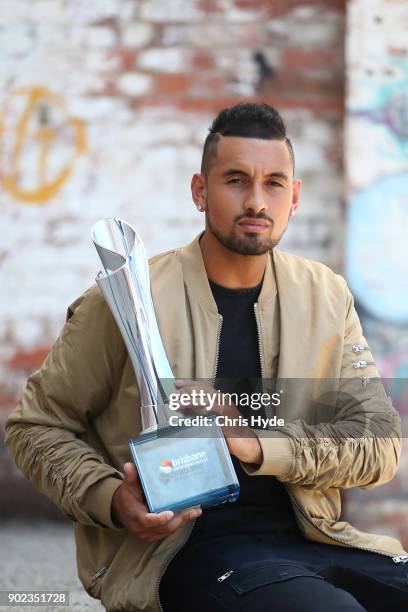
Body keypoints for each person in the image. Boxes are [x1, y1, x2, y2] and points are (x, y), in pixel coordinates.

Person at [5, 103, 407, 612]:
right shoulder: (130, 297)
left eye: (274, 184)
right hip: (189, 553)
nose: (256, 201)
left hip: (320, 539)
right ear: (200, 191)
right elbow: (35, 426)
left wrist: (254, 442)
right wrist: (111, 497)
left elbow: (379, 443)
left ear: (295, 196)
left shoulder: (325, 295)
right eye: (236, 180)